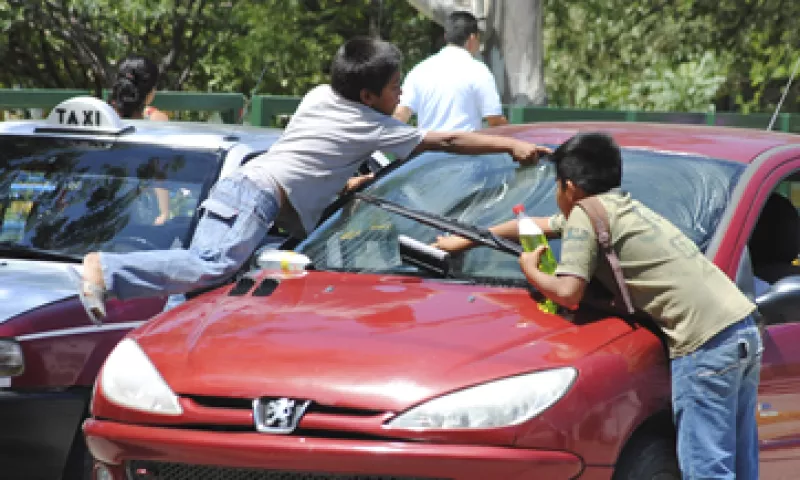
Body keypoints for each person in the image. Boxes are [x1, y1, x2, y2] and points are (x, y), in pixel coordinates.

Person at [74, 36, 551, 323]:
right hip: (256, 196)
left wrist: (345, 187)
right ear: (367, 94)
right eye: (393, 87)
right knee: (213, 265)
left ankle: (162, 335)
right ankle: (108, 270)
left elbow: (311, 158)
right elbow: (445, 141)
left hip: (243, 188)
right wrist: (509, 144)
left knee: (195, 287)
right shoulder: (372, 124)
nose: (401, 92)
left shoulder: (320, 94)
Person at [434, 132, 762, 480]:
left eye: (556, 187)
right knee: (739, 465)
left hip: (703, 344)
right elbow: (532, 226)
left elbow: (569, 292)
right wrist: (465, 239)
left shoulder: (584, 217)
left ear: (569, 187)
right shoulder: (619, 208)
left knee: (706, 468)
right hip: (740, 331)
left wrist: (531, 271)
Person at [392, 11, 508, 131]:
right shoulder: (479, 71)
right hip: (464, 148)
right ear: (472, 38)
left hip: (427, 148)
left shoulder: (420, 70)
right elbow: (495, 120)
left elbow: (400, 115)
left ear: (446, 36)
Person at [110, 55, 171, 225]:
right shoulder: (156, 120)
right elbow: (160, 172)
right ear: (150, 93)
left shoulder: (101, 115)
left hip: (103, 208)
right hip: (141, 215)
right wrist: (164, 213)